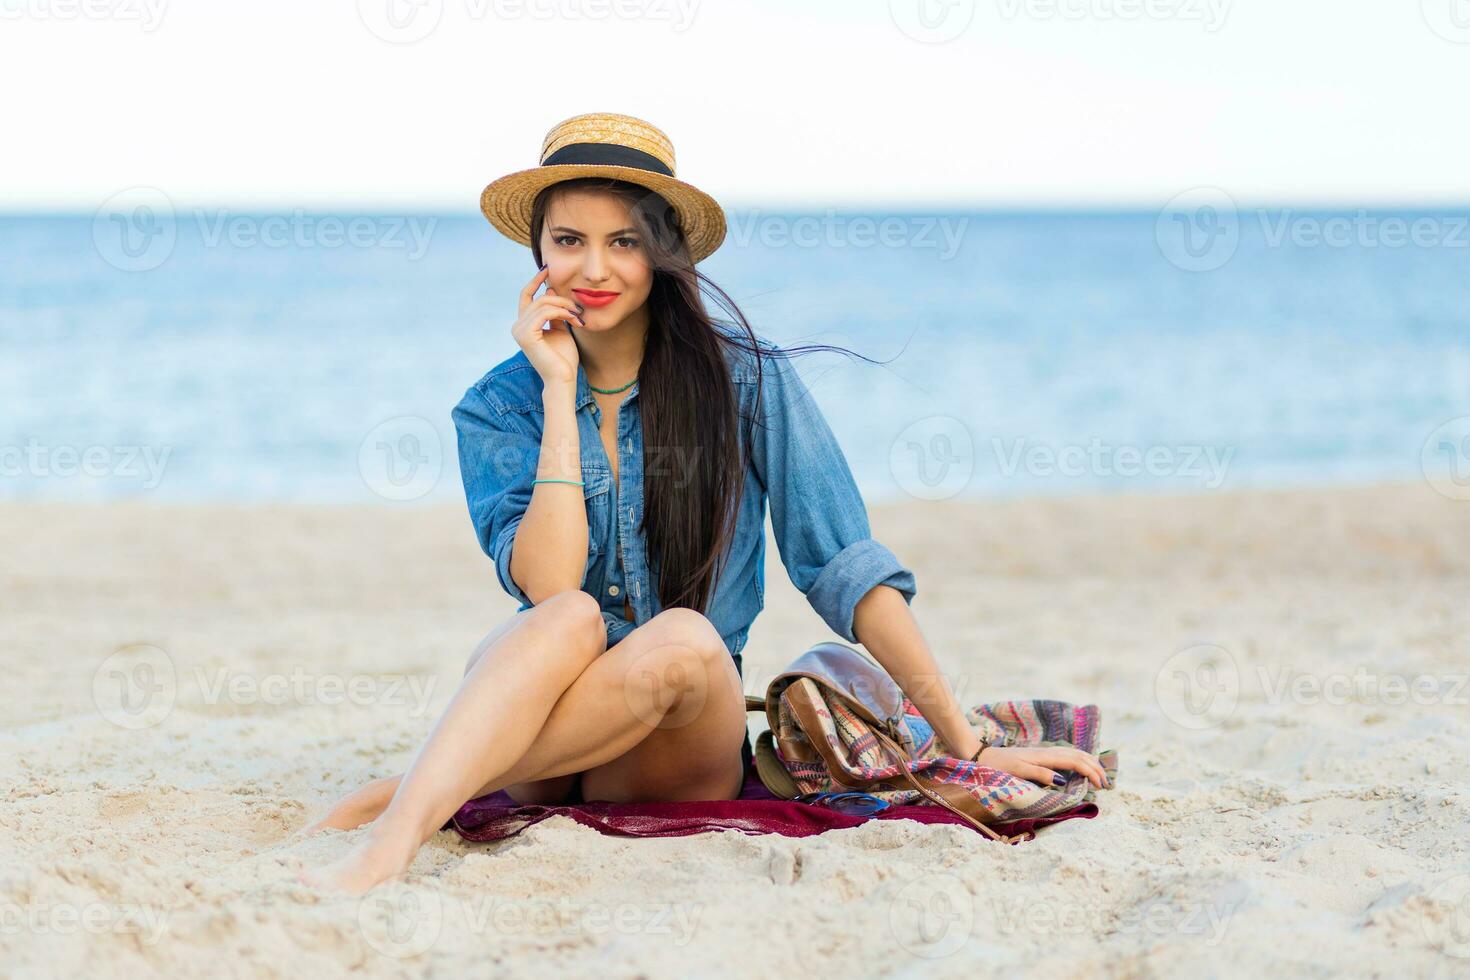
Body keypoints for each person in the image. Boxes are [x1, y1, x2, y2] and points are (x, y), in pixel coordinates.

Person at [302, 113, 1108, 894]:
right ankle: (403, 833)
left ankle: (413, 795)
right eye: (568, 241)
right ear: (536, 253)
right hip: (552, 714)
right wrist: (556, 391)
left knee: (685, 639)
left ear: (663, 253)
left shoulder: (747, 382)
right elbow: (548, 587)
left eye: (624, 242)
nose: (594, 269)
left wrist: (963, 744)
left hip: (670, 738)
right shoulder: (498, 406)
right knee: (569, 618)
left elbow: (843, 566)